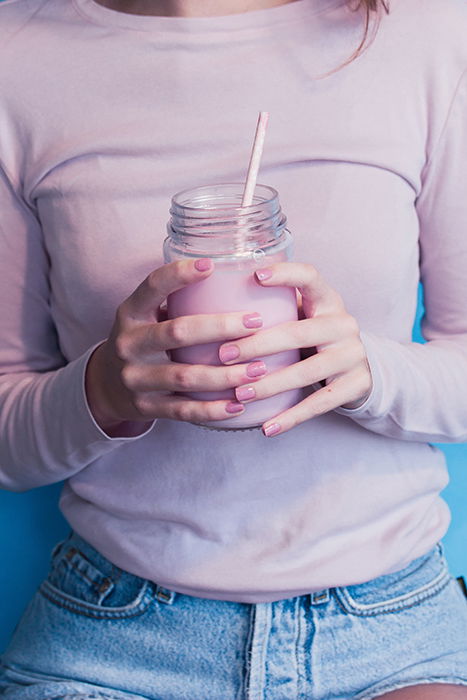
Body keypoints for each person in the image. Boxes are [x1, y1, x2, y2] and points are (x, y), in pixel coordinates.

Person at [0, 0, 467, 697]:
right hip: (115, 627)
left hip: (389, 625)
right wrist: (103, 389)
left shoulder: (426, 30)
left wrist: (368, 370)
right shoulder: (17, 56)